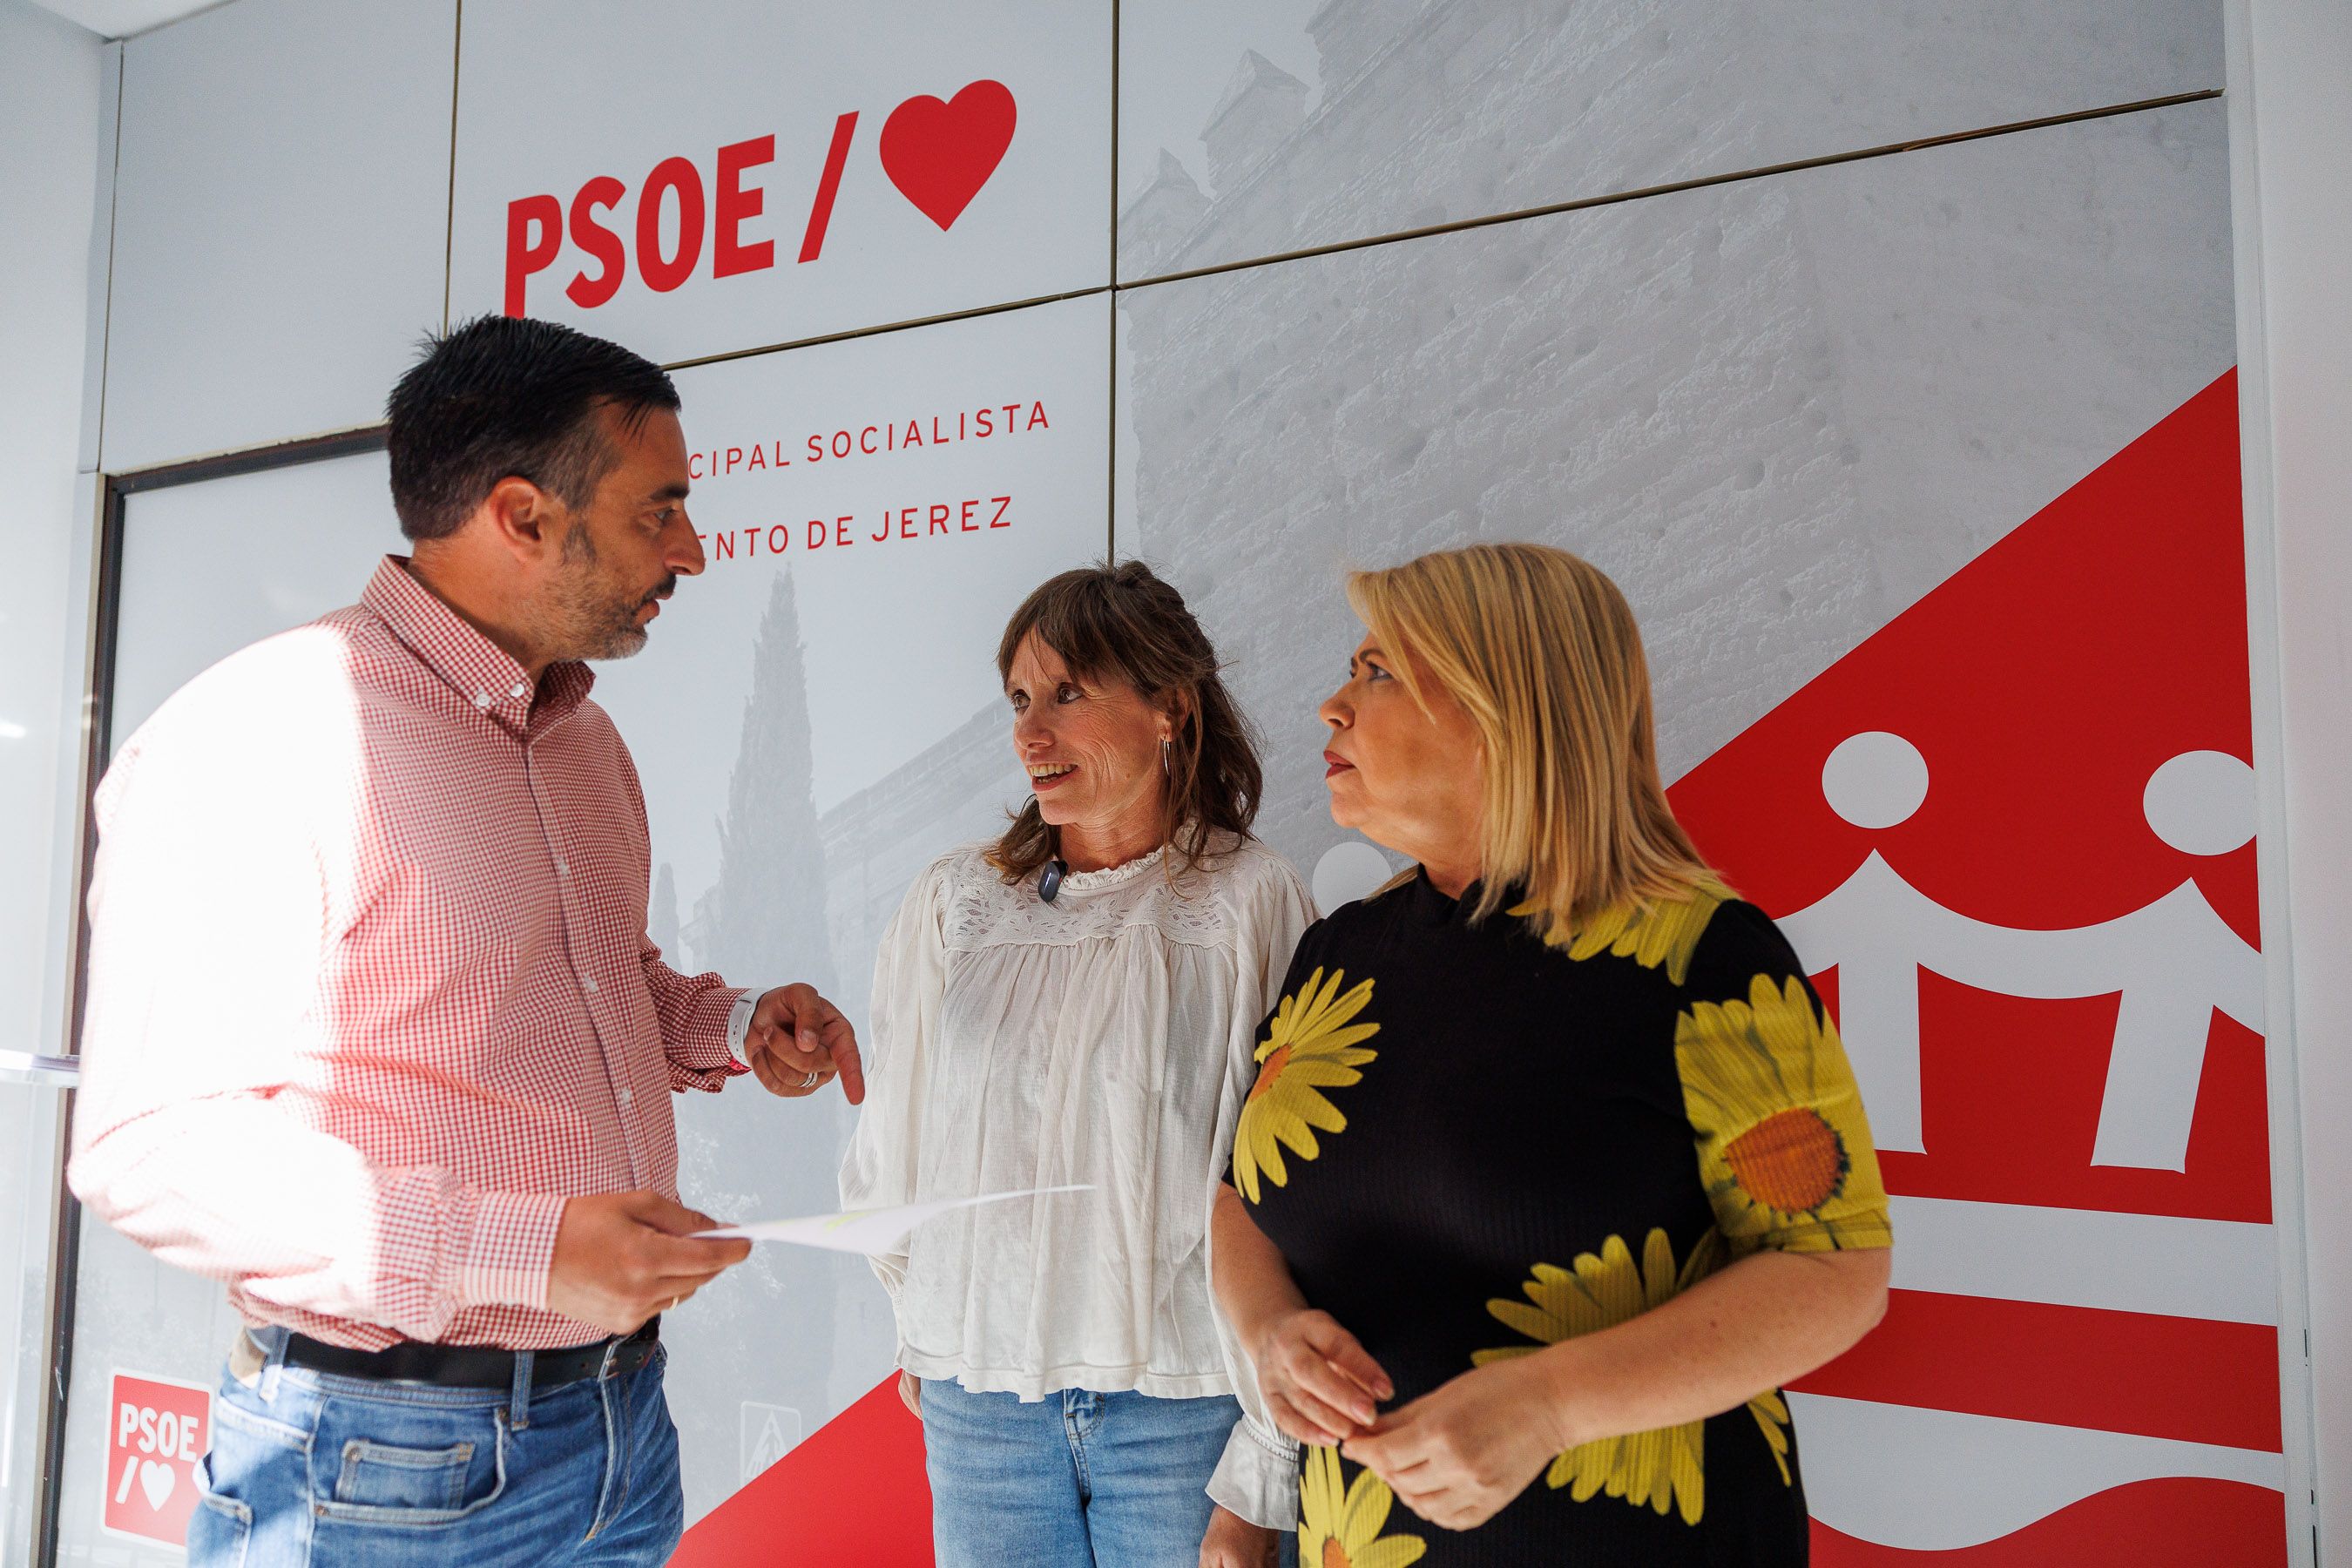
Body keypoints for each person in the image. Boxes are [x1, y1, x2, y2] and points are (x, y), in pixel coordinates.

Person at [69, 315, 862, 1567]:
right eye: (661, 510)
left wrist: (725, 1023)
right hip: (380, 1465)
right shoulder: (263, 737)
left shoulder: (585, 743)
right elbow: (146, 1148)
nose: (693, 551)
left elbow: (585, 987)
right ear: (521, 515)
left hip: (620, 1426)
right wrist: (527, 1250)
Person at [1210, 543, 1894, 1565]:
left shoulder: (1702, 953)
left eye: (1377, 671)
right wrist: (1268, 1327)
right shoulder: (1338, 952)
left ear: (1505, 709)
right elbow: (1240, 1194)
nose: (1331, 707)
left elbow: (1835, 1270)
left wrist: (1553, 1405)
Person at [840, 562, 1315, 1568]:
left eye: (1066, 695)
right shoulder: (955, 904)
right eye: (1019, 699)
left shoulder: (1251, 904)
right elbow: (893, 1154)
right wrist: (927, 1327)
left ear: (1168, 708)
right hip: (982, 1416)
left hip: (1184, 1411)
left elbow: (1292, 1185)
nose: (1030, 734)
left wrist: (1265, 1462)